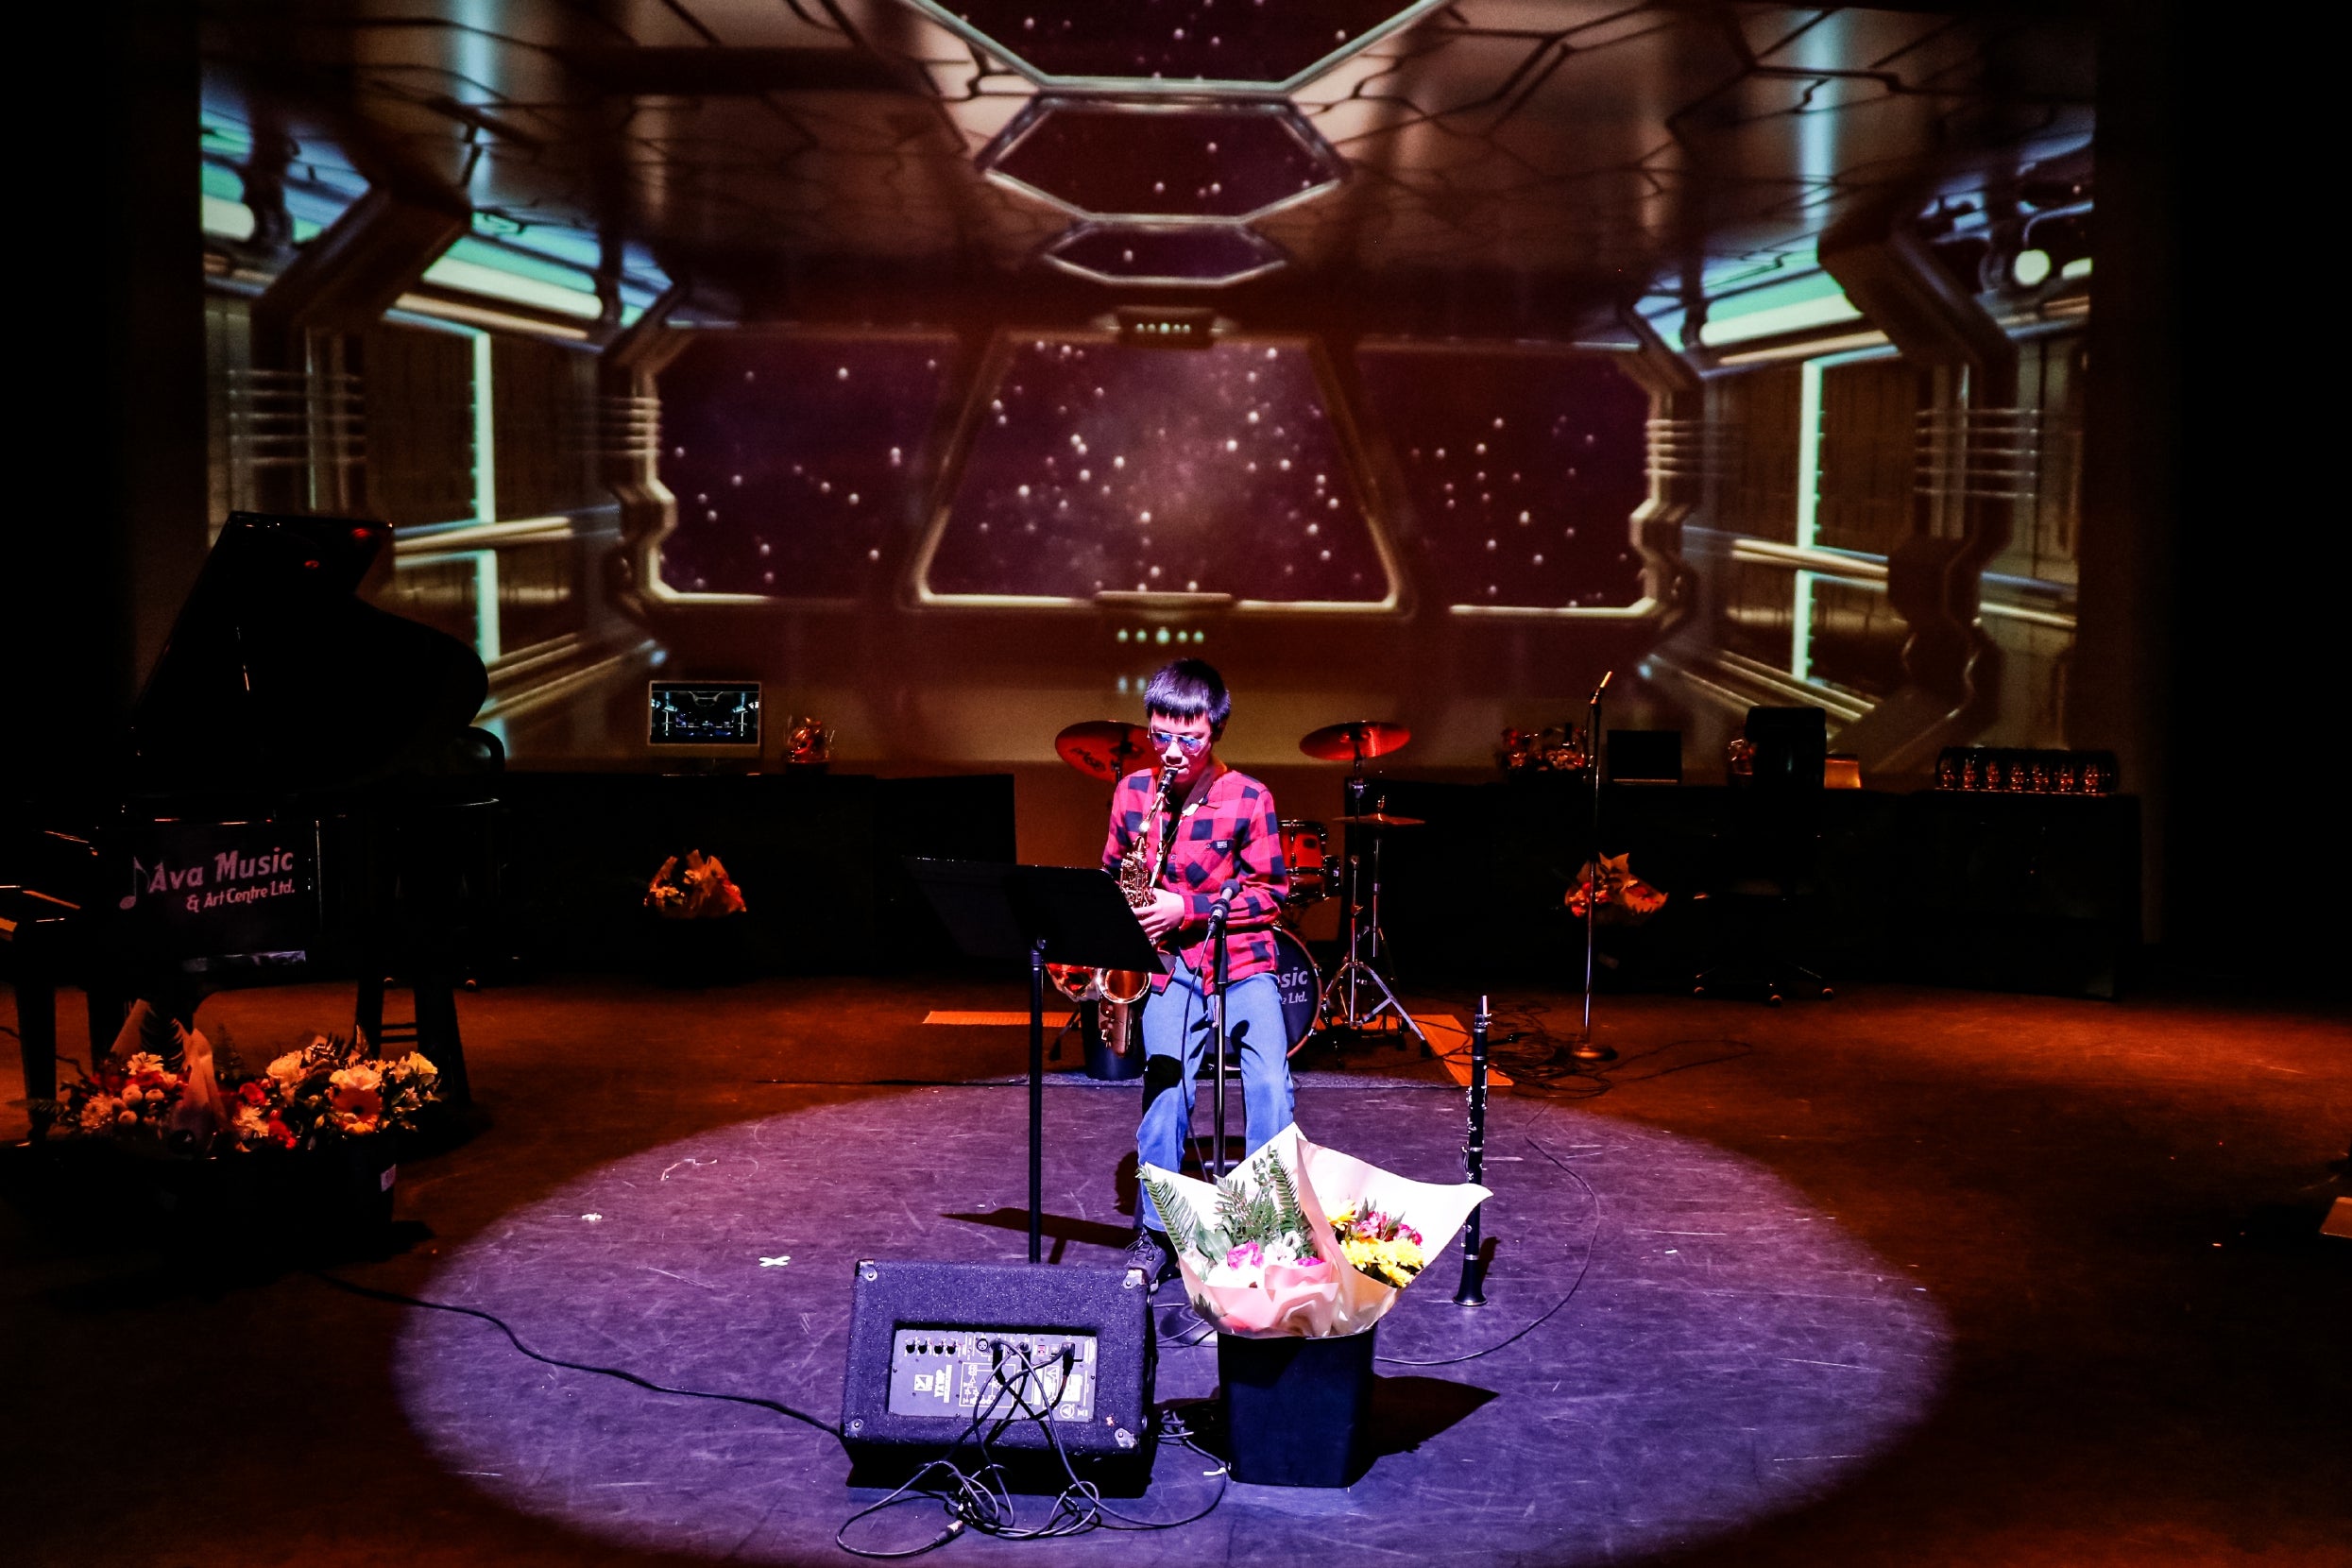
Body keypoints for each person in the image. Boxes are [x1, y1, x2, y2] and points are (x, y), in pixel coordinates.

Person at [1103, 658, 1293, 1286]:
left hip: (1243, 964)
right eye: (1160, 737)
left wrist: (1188, 906)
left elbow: (1272, 895)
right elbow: (1111, 876)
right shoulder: (1133, 793)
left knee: (1269, 1090)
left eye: (1189, 739)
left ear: (1216, 730)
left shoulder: (1250, 797)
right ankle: (1157, 1234)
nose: (1174, 753)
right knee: (1164, 1096)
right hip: (1167, 970)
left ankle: (1267, 1233)